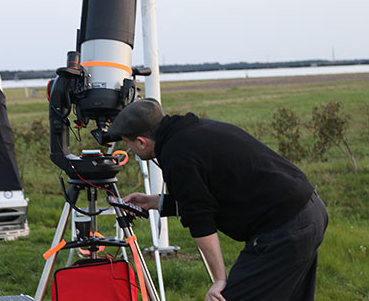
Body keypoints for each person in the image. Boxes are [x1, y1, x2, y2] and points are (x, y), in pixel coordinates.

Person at [109, 99, 328, 301]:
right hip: (309, 210)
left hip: (286, 227)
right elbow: (203, 195)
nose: (130, 150)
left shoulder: (177, 155)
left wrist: (219, 280)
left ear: (142, 141)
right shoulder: (192, 131)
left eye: (129, 144)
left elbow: (200, 220)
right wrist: (154, 202)